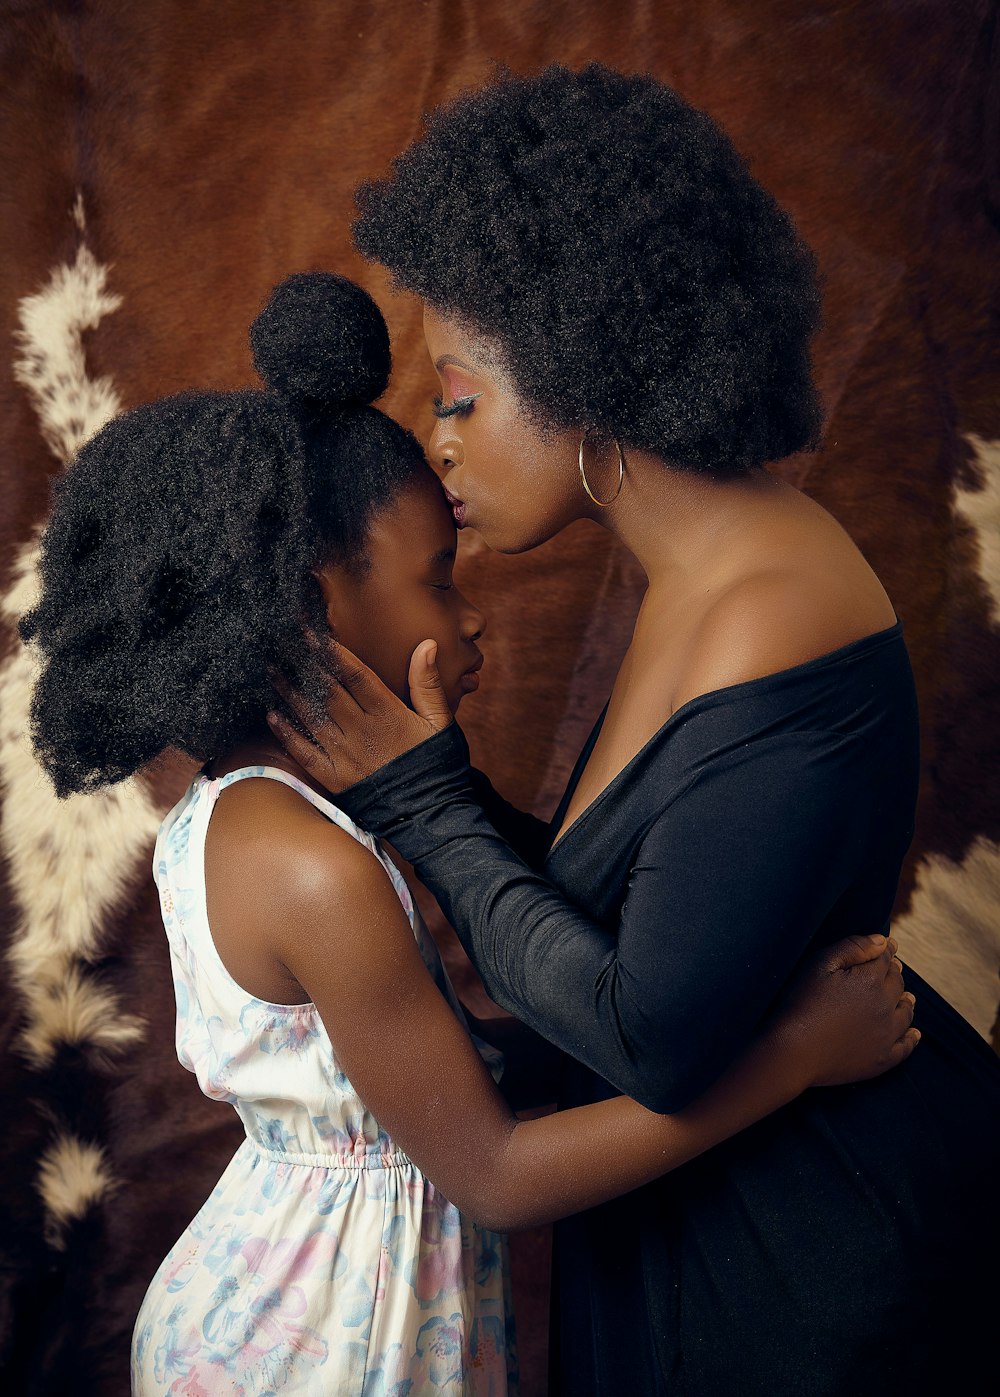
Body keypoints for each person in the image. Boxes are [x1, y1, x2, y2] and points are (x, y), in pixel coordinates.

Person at [20, 272, 914, 1396]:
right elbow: (492, 1170)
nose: (471, 613)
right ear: (310, 609)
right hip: (320, 1343)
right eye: (437, 580)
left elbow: (448, 1068)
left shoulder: (245, 813)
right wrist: (794, 1054)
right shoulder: (308, 866)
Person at [268, 68, 1000, 1395]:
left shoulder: (766, 610)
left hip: (814, 1280)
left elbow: (649, 1030)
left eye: (460, 395)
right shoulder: (710, 576)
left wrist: (432, 805)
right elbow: (631, 919)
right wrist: (420, 792)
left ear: (581, 371)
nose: (437, 440)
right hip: (718, 1231)